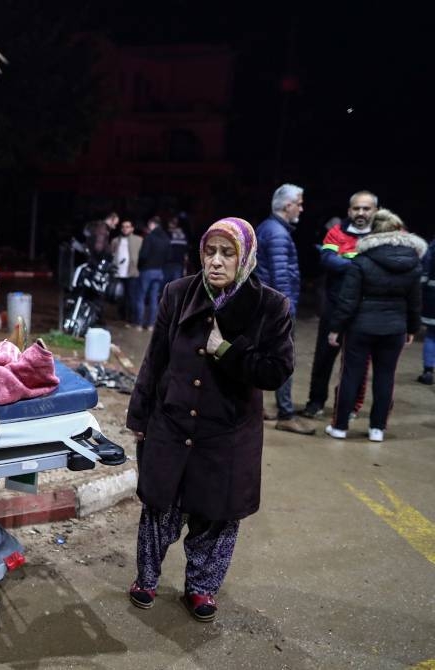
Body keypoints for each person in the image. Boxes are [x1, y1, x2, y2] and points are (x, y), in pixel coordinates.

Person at [126, 217, 294, 623]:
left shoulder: (271, 307)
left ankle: (201, 588)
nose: (216, 261)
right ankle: (146, 578)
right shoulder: (178, 293)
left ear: (245, 257)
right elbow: (155, 359)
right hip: (172, 422)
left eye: (227, 253)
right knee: (159, 507)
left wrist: (226, 351)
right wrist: (140, 415)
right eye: (210, 251)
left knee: (215, 515)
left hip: (227, 434)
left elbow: (276, 371)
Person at [324, 209, 426, 442]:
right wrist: (412, 328)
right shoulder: (413, 262)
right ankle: (377, 429)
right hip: (395, 328)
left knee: (351, 375)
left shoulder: (362, 260)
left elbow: (348, 299)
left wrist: (336, 328)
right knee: (385, 377)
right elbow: (414, 302)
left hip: (361, 327)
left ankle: (340, 427)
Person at [301, 192, 378, 418]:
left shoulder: (381, 234)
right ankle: (315, 402)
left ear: (375, 211)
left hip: (365, 309)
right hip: (334, 306)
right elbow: (327, 260)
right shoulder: (336, 231)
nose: (361, 213)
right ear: (349, 211)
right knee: (324, 357)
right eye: (356, 208)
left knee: (357, 362)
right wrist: (362, 263)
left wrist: (346, 260)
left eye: (366, 208)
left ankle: (349, 406)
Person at [254, 183, 315, 435]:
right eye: (299, 203)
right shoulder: (278, 234)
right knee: (284, 359)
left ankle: (255, 407)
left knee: (258, 356)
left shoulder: (267, 227)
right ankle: (286, 414)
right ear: (288, 205)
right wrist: (287, 309)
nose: (301, 208)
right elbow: (281, 277)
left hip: (264, 306)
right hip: (276, 308)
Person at [136, 216, 170, 331]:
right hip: (159, 271)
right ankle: (151, 325)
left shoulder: (149, 237)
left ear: (152, 224)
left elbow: (143, 255)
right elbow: (168, 256)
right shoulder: (166, 238)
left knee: (141, 297)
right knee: (154, 298)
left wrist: (140, 266)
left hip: (147, 270)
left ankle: (139, 324)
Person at [110, 219, 142, 326]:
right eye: (123, 226)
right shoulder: (115, 240)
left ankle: (131, 319)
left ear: (132, 228)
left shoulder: (138, 240)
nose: (125, 229)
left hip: (131, 273)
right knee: (120, 296)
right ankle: (121, 317)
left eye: (127, 226)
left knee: (131, 296)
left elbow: (142, 255)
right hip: (118, 273)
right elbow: (112, 254)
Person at [419, 239, 435, 385]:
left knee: (431, 335)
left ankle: (428, 371)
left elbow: (424, 274)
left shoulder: (432, 248)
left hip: (433, 296)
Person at [164, 215, 190, 284]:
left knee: (165, 285)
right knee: (176, 285)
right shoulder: (184, 235)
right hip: (179, 263)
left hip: (168, 263)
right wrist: (185, 268)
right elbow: (186, 254)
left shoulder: (168, 234)